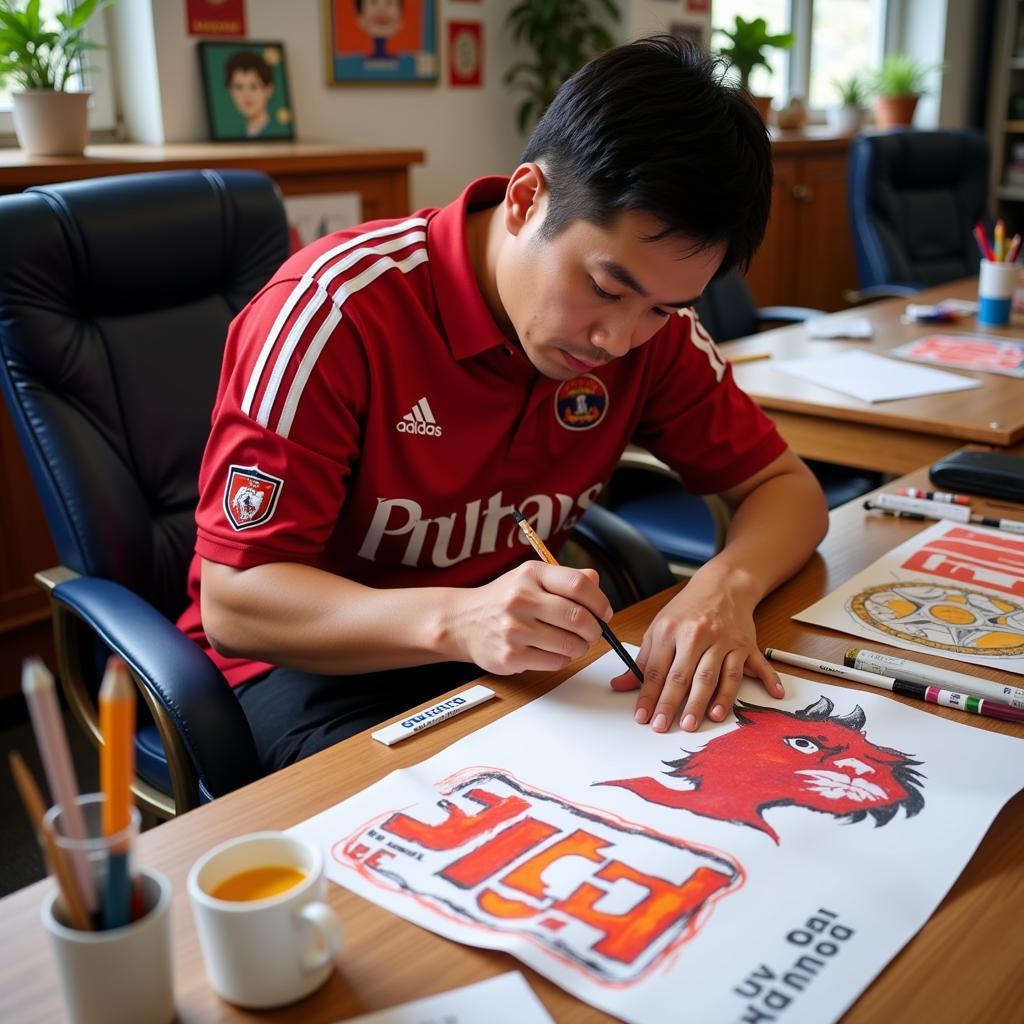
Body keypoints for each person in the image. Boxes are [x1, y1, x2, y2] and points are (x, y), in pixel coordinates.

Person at [178, 36, 829, 772]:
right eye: (606, 288)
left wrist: (722, 588)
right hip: (311, 667)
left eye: (660, 307)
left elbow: (786, 490)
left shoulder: (658, 333)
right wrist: (457, 618)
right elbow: (236, 605)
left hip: (498, 649)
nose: (617, 339)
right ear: (525, 200)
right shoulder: (336, 312)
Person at [224, 50, 275, 138]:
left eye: (253, 87)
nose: (246, 95)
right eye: (239, 87)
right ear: (231, 91)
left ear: (268, 90)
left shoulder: (275, 133)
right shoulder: (238, 135)